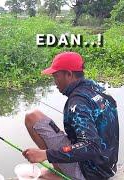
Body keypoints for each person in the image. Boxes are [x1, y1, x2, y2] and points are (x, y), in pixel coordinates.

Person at [22, 52, 119, 180]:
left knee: (31, 118)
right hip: (107, 166)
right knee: (34, 116)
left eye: (56, 76)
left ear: (69, 74)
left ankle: (62, 173)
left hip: (90, 172)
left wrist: (46, 154)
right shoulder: (97, 88)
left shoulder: (78, 102)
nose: (55, 82)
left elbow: (91, 146)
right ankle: (61, 168)